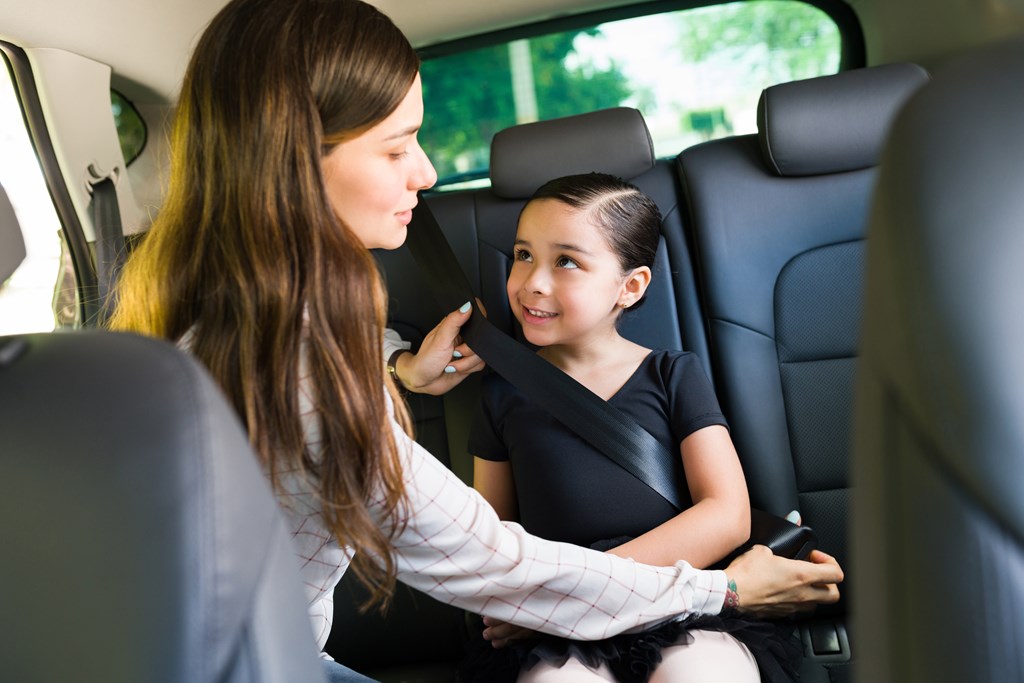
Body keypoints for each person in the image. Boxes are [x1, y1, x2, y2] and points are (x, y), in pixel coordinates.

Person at [108, 1, 843, 681]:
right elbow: (496, 559)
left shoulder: (188, 318)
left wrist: (398, 371)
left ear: (634, 286)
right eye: (398, 149)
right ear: (294, 156)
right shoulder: (304, 365)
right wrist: (729, 586)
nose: (425, 173)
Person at [468, 173, 814, 682]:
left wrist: (582, 582)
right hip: (560, 629)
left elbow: (727, 515)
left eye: (566, 261)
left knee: (702, 672)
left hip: (680, 605)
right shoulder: (501, 395)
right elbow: (490, 540)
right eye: (523, 255)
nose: (533, 281)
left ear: (630, 287)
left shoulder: (673, 375)